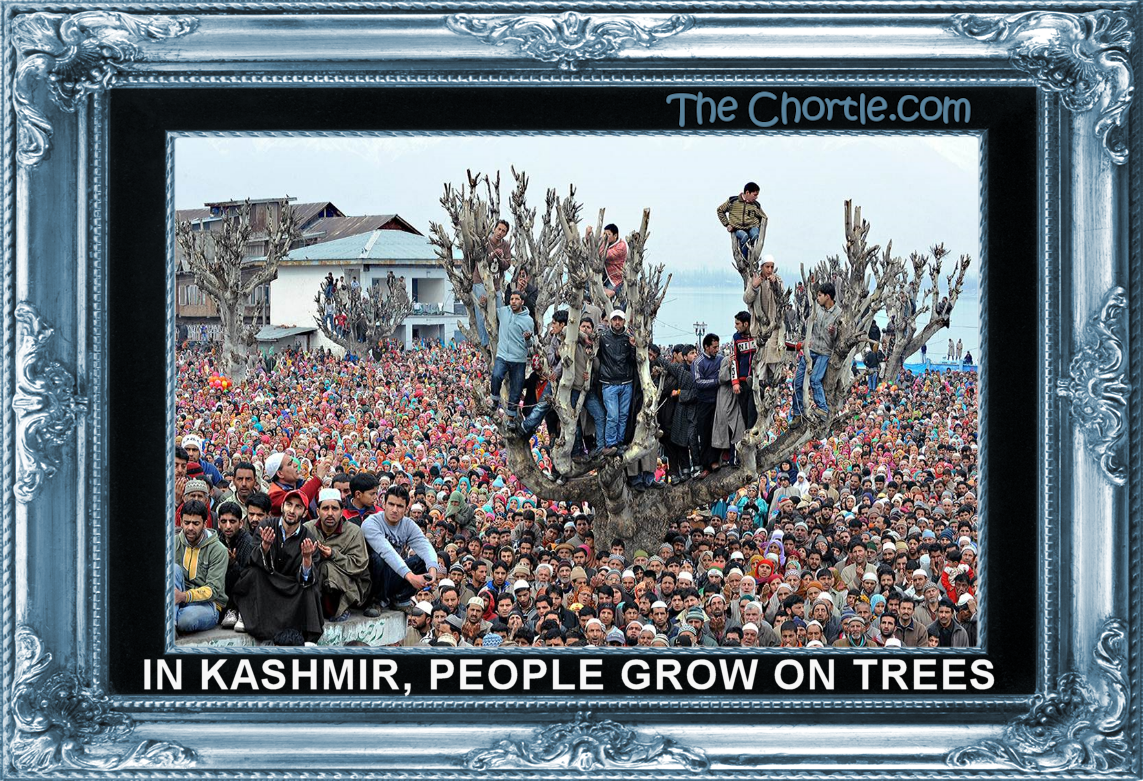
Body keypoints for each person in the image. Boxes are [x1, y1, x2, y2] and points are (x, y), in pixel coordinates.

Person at [230, 480, 325, 642]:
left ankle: (308, 638)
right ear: (282, 507)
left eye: (298, 507)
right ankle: (247, 617)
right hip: (267, 581)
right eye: (289, 505)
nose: (292, 511)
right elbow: (251, 560)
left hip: (290, 587)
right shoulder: (266, 526)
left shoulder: (308, 538)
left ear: (304, 513)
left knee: (310, 588)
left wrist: (307, 559)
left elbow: (307, 579)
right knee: (253, 573)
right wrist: (265, 546)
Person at [362, 485, 441, 615]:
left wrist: (432, 572)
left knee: (422, 559)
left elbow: (425, 546)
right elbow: (386, 552)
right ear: (383, 504)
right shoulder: (371, 523)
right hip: (372, 578)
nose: (394, 510)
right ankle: (376, 601)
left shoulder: (408, 524)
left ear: (406, 509)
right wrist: (411, 577)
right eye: (391, 504)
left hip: (394, 575)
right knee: (378, 558)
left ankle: (400, 599)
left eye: (399, 506)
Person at [305, 488, 372, 622]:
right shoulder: (308, 529)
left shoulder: (353, 532)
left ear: (342, 511)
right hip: (315, 583)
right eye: (325, 508)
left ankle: (338, 609)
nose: (330, 513)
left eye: (335, 509)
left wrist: (333, 555)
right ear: (318, 511)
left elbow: (359, 565)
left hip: (348, 583)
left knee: (328, 568)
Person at [174, 500, 229, 634]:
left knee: (186, 620)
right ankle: (172, 624)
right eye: (186, 522)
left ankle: (172, 619)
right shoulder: (173, 542)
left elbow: (213, 590)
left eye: (196, 523)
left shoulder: (219, 550)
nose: (190, 528)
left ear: (205, 524)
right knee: (173, 569)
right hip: (179, 599)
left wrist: (184, 596)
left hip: (208, 604)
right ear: (181, 522)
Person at [792, 282, 840, 421]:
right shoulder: (816, 309)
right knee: (797, 382)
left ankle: (823, 408)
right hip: (811, 350)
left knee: (815, 379)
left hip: (824, 352)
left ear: (828, 296)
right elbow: (809, 325)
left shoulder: (838, 314)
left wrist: (833, 332)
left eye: (820, 295)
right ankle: (797, 413)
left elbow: (839, 338)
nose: (817, 298)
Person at [489, 290, 533, 423]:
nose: (513, 301)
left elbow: (531, 344)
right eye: (512, 299)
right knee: (496, 375)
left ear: (522, 302)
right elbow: (491, 304)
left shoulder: (528, 320)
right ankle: (494, 399)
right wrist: (485, 302)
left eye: (517, 299)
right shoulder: (504, 312)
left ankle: (511, 417)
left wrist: (527, 339)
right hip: (502, 355)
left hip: (518, 359)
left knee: (517, 388)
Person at [742, 256, 786, 387]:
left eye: (772, 267)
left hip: (773, 325)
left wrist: (775, 284)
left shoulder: (777, 279)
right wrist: (754, 286)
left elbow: (782, 295)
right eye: (767, 267)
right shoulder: (754, 279)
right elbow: (746, 299)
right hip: (759, 325)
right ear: (762, 267)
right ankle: (758, 382)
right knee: (760, 356)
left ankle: (773, 381)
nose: (770, 270)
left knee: (772, 355)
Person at [597, 309, 636, 456]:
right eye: (615, 319)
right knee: (613, 415)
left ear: (624, 321)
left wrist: (633, 347)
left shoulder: (629, 337)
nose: (617, 322)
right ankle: (611, 443)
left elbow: (633, 361)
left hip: (626, 381)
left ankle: (619, 443)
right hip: (609, 382)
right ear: (610, 321)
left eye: (620, 319)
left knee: (623, 415)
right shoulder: (603, 337)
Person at [658, 344, 699, 481]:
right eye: (691, 353)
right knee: (679, 442)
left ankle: (696, 468)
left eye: (695, 353)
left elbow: (697, 393)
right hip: (676, 413)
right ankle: (682, 472)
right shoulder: (679, 370)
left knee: (692, 440)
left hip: (693, 411)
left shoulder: (699, 370)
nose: (695, 355)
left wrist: (680, 393)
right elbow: (667, 368)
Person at [215, 501, 256, 631]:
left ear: (241, 523)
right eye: (224, 521)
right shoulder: (216, 539)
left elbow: (248, 576)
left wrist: (233, 563)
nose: (228, 526)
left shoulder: (248, 542)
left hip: (241, 593)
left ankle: (237, 611)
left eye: (232, 522)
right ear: (218, 523)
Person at [693, 333, 723, 478]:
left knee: (716, 431)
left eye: (718, 347)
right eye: (714, 347)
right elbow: (698, 382)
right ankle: (706, 465)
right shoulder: (698, 362)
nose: (717, 350)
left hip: (718, 401)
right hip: (704, 403)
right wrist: (716, 381)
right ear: (706, 347)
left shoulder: (721, 359)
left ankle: (715, 461)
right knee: (704, 434)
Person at [716, 182, 767, 259]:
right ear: (747, 192)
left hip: (752, 227)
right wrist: (727, 224)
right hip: (738, 228)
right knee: (744, 237)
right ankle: (744, 258)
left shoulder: (755, 205)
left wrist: (760, 226)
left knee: (755, 236)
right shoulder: (733, 201)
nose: (756, 197)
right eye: (755, 195)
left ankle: (753, 256)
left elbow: (764, 217)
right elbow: (720, 210)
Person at [728, 311, 758, 430]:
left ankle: (752, 436)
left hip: (757, 380)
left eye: (737, 324)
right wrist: (735, 382)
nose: (735, 326)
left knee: (753, 413)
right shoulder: (736, 338)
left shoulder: (758, 335)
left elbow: (776, 342)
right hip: (743, 382)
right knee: (745, 414)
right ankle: (747, 435)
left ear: (746, 324)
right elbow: (734, 360)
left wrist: (798, 346)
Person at [586, 223, 628, 305]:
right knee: (587, 285)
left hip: (615, 278)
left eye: (608, 234)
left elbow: (602, 254)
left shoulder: (621, 246)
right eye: (604, 233)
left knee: (607, 300)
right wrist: (588, 235)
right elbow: (590, 246)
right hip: (604, 275)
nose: (605, 236)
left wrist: (602, 241)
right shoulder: (606, 241)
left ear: (615, 236)